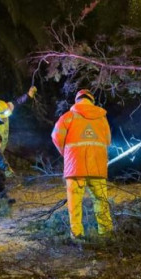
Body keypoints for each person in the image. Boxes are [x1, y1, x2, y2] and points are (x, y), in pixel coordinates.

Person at [51, 89, 113, 239]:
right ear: (92, 100)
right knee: (101, 202)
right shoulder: (102, 118)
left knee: (75, 205)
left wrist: (66, 154)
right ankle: (106, 234)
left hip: (75, 168)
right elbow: (108, 140)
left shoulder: (68, 117)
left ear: (77, 100)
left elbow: (56, 136)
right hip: (97, 167)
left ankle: (77, 235)